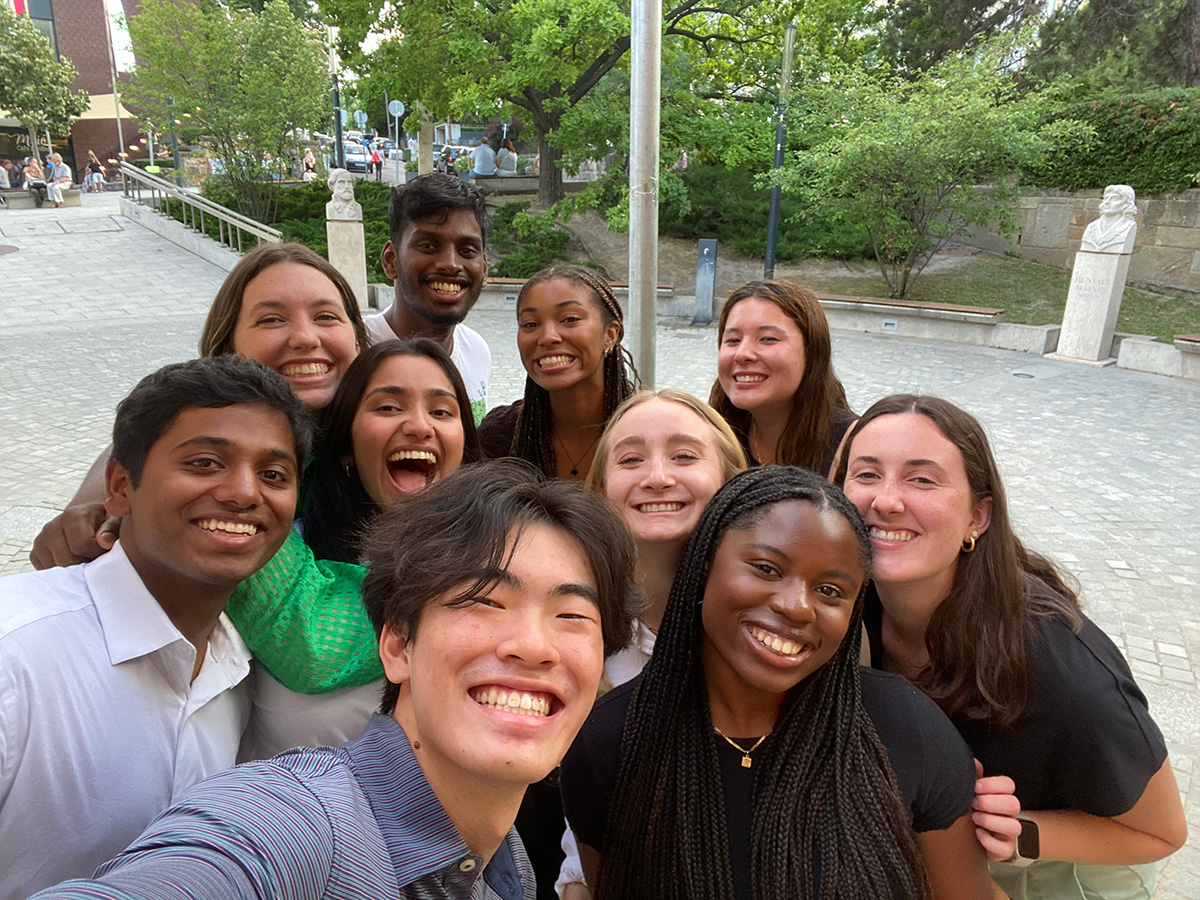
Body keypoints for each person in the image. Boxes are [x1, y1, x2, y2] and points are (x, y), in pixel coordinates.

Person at [29, 462, 640, 900]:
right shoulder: (291, 828)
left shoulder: (506, 864)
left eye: (572, 616)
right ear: (397, 643)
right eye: (482, 601)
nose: (533, 646)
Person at [560, 466, 994, 900]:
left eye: (829, 591)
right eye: (767, 568)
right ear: (706, 562)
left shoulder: (906, 730)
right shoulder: (609, 744)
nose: (797, 607)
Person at [835, 394, 1188, 899]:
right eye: (866, 474)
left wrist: (1021, 830)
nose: (886, 500)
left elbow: (1161, 833)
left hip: (1065, 873)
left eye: (922, 479)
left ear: (978, 518)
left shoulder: (1065, 672)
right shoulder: (844, 606)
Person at [0, 356, 313, 900]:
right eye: (205, 463)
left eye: (273, 475)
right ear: (119, 487)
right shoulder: (17, 653)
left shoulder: (239, 668)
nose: (244, 493)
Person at [29, 242, 367, 569]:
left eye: (325, 316)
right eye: (270, 320)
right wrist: (93, 506)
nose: (306, 338)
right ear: (227, 349)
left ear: (357, 338)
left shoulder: (394, 434)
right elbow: (149, 437)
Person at [228, 338, 482, 759]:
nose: (420, 426)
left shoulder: (500, 568)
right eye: (388, 407)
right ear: (346, 447)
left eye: (441, 411)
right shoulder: (270, 549)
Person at [549, 389, 747, 898]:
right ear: (601, 490)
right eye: (631, 459)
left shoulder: (779, 623)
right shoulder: (572, 627)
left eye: (684, 456)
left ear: (730, 480)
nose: (658, 476)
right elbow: (587, 813)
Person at [478, 265, 637, 482]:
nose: (547, 337)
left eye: (570, 319)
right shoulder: (500, 437)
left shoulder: (651, 431)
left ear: (610, 334)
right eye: (530, 324)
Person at [364, 173, 493, 423]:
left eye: (467, 250)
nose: (451, 264)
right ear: (391, 260)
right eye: (428, 246)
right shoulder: (355, 350)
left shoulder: (476, 350)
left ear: (484, 269)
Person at [710, 280, 854, 474]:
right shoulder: (711, 437)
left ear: (812, 352)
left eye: (767, 339)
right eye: (733, 340)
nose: (742, 354)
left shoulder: (854, 448)